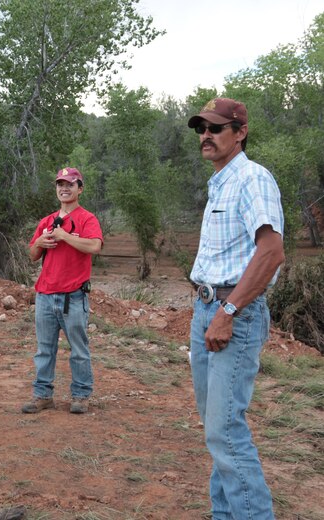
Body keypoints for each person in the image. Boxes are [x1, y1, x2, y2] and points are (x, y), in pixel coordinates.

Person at [187, 97, 285, 520]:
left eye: (216, 128)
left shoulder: (252, 179)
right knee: (217, 431)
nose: (206, 136)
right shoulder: (221, 181)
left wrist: (228, 312)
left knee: (225, 430)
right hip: (208, 308)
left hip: (233, 313)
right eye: (202, 129)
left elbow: (271, 252)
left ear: (240, 132)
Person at [22, 167, 103, 415]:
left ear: (80, 188)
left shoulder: (87, 219)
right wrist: (39, 242)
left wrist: (65, 236)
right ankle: (42, 395)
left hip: (73, 297)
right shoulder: (47, 222)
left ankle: (80, 396)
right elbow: (33, 256)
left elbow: (94, 246)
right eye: (60, 184)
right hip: (45, 295)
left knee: (78, 349)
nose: (64, 188)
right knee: (44, 348)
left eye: (70, 184)